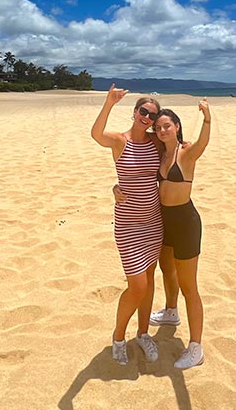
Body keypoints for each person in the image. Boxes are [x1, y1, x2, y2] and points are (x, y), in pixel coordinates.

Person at [116, 99, 212, 369]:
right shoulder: (159, 152)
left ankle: (196, 347)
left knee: (188, 286)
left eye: (167, 126)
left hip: (185, 223)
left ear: (177, 127)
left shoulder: (187, 153)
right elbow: (136, 172)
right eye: (158, 127)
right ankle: (171, 312)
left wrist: (207, 118)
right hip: (161, 222)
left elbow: (204, 142)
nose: (162, 131)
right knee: (166, 271)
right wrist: (116, 187)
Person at [90, 84, 164, 366]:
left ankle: (143, 333)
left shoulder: (155, 142)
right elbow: (96, 135)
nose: (147, 117)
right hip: (129, 225)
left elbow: (175, 152)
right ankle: (119, 336)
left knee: (150, 281)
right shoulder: (120, 141)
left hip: (154, 222)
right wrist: (108, 103)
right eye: (144, 112)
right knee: (137, 286)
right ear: (135, 113)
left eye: (152, 116)